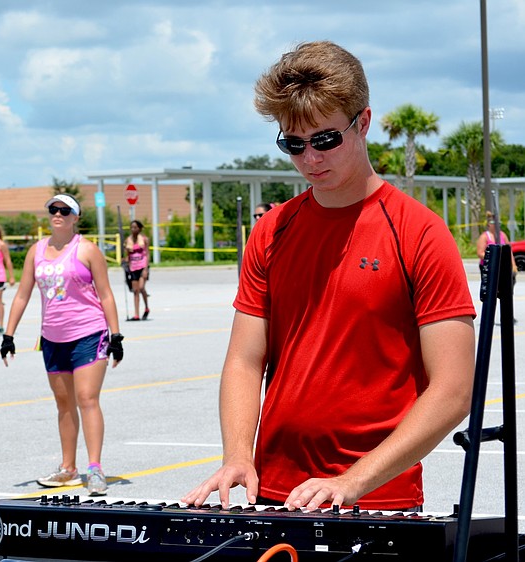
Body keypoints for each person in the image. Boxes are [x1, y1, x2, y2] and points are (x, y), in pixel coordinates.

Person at [183, 41, 475, 512]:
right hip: (275, 494)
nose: (309, 159)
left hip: (378, 501)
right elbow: (244, 360)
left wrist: (352, 481)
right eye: (293, 144)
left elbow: (453, 391)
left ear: (363, 122)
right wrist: (238, 455)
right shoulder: (271, 230)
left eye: (324, 140)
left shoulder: (420, 233)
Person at [0, 194, 124, 496]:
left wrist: (116, 336)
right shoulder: (37, 251)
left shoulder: (87, 250)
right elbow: (22, 295)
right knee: (64, 403)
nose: (57, 214)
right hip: (52, 338)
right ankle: (69, 468)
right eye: (53, 209)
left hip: (89, 333)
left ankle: (94, 468)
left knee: (87, 398)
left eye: (64, 210)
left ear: (75, 217)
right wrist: (8, 334)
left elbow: (105, 294)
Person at [476, 212, 517, 303]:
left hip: (502, 266)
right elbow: (480, 253)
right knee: (490, 291)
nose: (497, 226)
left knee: (508, 286)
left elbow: (508, 250)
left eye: (499, 223)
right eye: (494, 223)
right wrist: (494, 257)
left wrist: (513, 264)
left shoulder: (503, 235)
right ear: (489, 224)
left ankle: (507, 312)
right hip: (488, 266)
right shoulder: (484, 237)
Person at [125, 220, 150, 320]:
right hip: (133, 267)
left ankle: (146, 307)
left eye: (135, 227)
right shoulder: (128, 240)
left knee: (141, 287)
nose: (133, 229)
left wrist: (146, 269)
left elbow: (147, 253)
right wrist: (125, 261)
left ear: (139, 228)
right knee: (135, 290)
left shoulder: (144, 239)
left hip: (142, 265)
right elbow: (127, 255)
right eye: (132, 227)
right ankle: (136, 314)